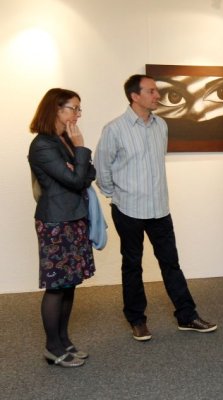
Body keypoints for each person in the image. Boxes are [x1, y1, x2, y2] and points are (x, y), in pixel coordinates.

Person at [94, 74, 217, 341]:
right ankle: (137, 320)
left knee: (171, 263)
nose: (157, 95)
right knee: (132, 265)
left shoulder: (161, 125)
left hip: (160, 209)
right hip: (128, 209)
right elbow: (101, 170)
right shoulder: (114, 129)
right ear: (134, 96)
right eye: (151, 91)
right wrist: (116, 195)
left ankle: (187, 316)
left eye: (156, 91)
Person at [28, 88, 96, 367]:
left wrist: (76, 162)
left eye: (79, 108)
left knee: (69, 284)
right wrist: (80, 150)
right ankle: (52, 348)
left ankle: (64, 341)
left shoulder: (63, 140)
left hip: (74, 217)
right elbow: (77, 180)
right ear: (56, 109)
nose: (78, 114)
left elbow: (88, 174)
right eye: (74, 108)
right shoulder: (42, 145)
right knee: (56, 286)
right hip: (56, 222)